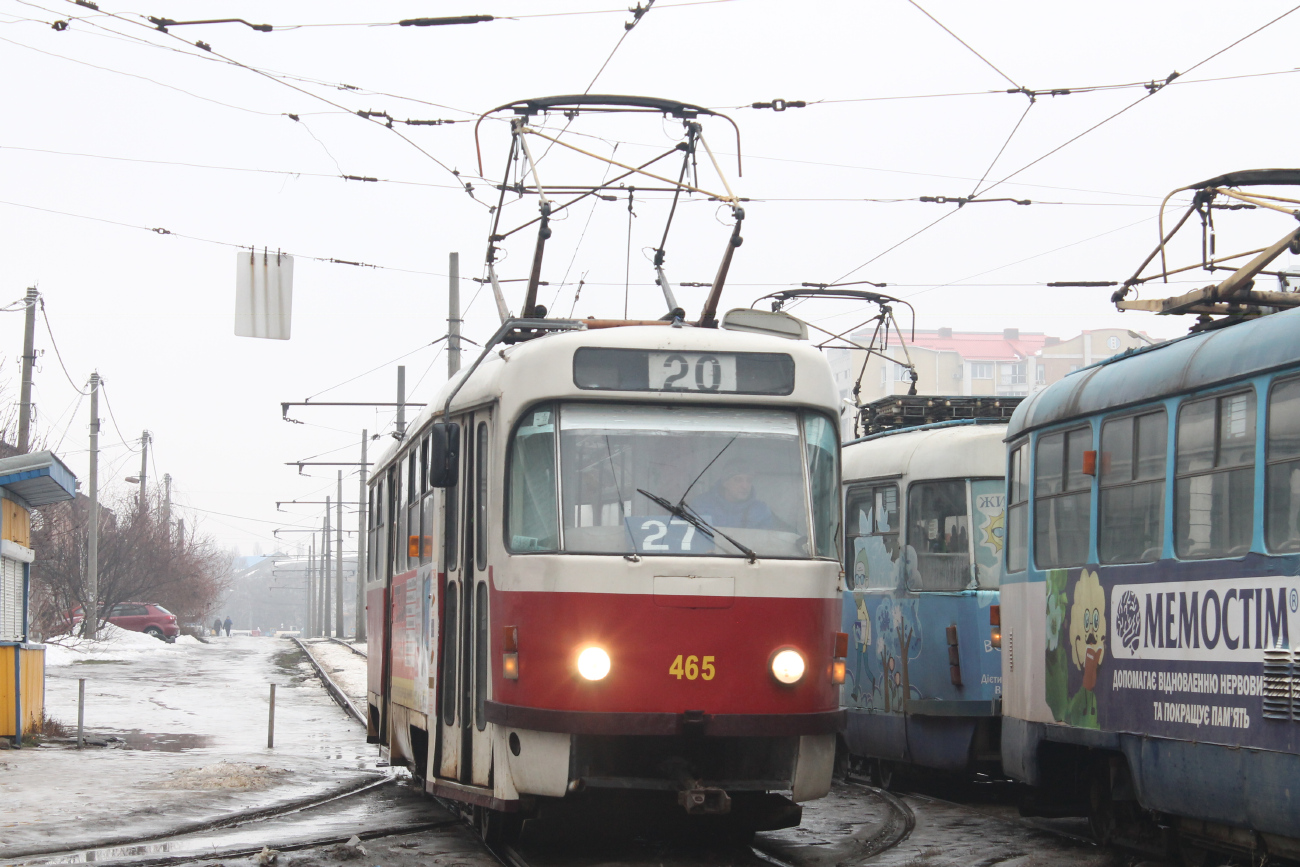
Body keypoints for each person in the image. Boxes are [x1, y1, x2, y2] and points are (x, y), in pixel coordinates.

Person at [690, 460, 778, 530]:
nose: (745, 486)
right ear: (725, 482)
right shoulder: (701, 506)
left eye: (749, 480)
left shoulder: (761, 511)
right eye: (738, 480)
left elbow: (765, 546)